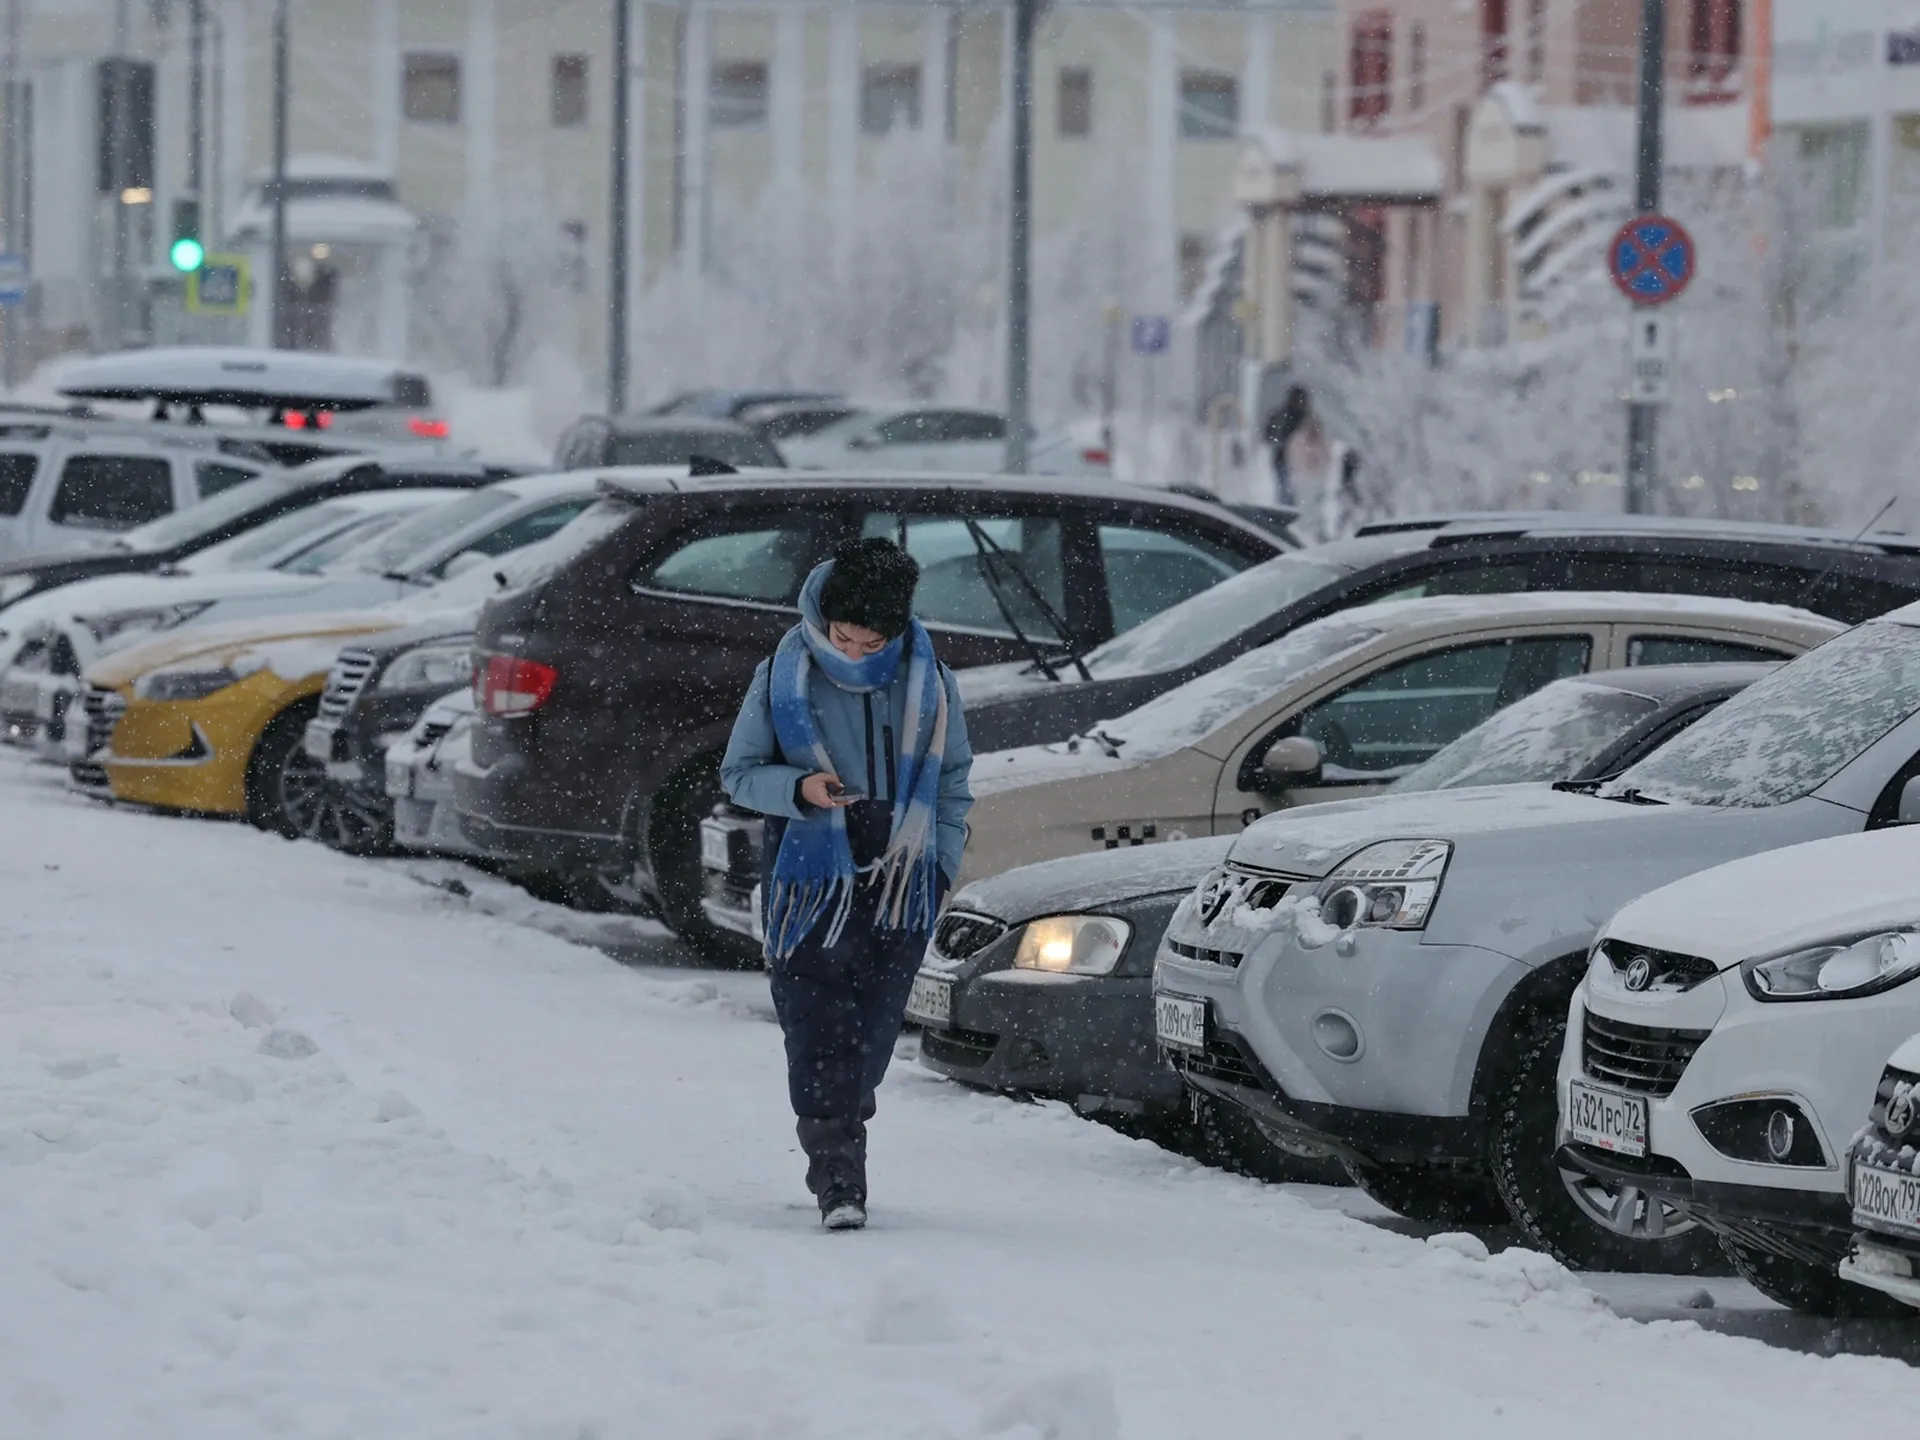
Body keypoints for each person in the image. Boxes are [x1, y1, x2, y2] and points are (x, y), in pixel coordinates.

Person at [720, 537, 974, 1231]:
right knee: (816, 1019)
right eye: (843, 637)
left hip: (904, 869)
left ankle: (842, 1129)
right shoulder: (782, 673)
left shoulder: (930, 679)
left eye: (871, 642)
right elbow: (738, 774)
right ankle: (837, 1173)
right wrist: (799, 787)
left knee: (874, 1027)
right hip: (810, 865)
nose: (855, 654)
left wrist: (942, 864)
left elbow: (952, 784)